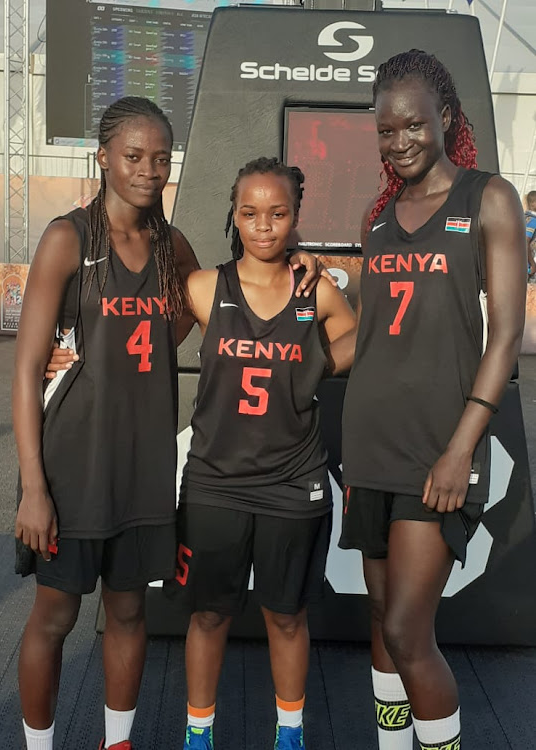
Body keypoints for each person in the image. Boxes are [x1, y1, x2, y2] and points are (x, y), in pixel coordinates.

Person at [15, 97, 328, 750]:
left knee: (129, 611)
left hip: (146, 469)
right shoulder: (67, 238)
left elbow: (223, 303)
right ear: (103, 157)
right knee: (54, 617)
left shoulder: (171, 247)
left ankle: (118, 743)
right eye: (133, 156)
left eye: (161, 159)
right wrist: (34, 488)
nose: (149, 171)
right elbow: (23, 371)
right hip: (72, 468)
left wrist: (308, 263)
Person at [339, 50, 526, 750]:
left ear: (445, 117)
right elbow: (368, 332)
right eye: (387, 131)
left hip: (439, 450)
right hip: (369, 445)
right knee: (380, 618)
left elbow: (505, 335)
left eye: (414, 125)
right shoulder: (378, 215)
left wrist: (461, 448)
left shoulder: (489, 198)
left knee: (407, 631)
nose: (400, 142)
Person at [162, 157, 356, 750]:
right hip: (215, 483)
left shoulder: (315, 289)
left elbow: (356, 331)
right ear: (234, 214)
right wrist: (59, 350)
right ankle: (200, 733)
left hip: (293, 483)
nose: (264, 226)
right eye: (250, 213)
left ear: (296, 218)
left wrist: (320, 361)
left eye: (277, 214)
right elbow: (136, 340)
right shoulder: (202, 288)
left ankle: (289, 732)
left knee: (287, 616)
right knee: (209, 616)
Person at [525, 190, 536, 280]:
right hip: (529, 266)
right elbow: (526, 241)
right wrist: (532, 264)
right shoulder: (532, 220)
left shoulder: (522, 217)